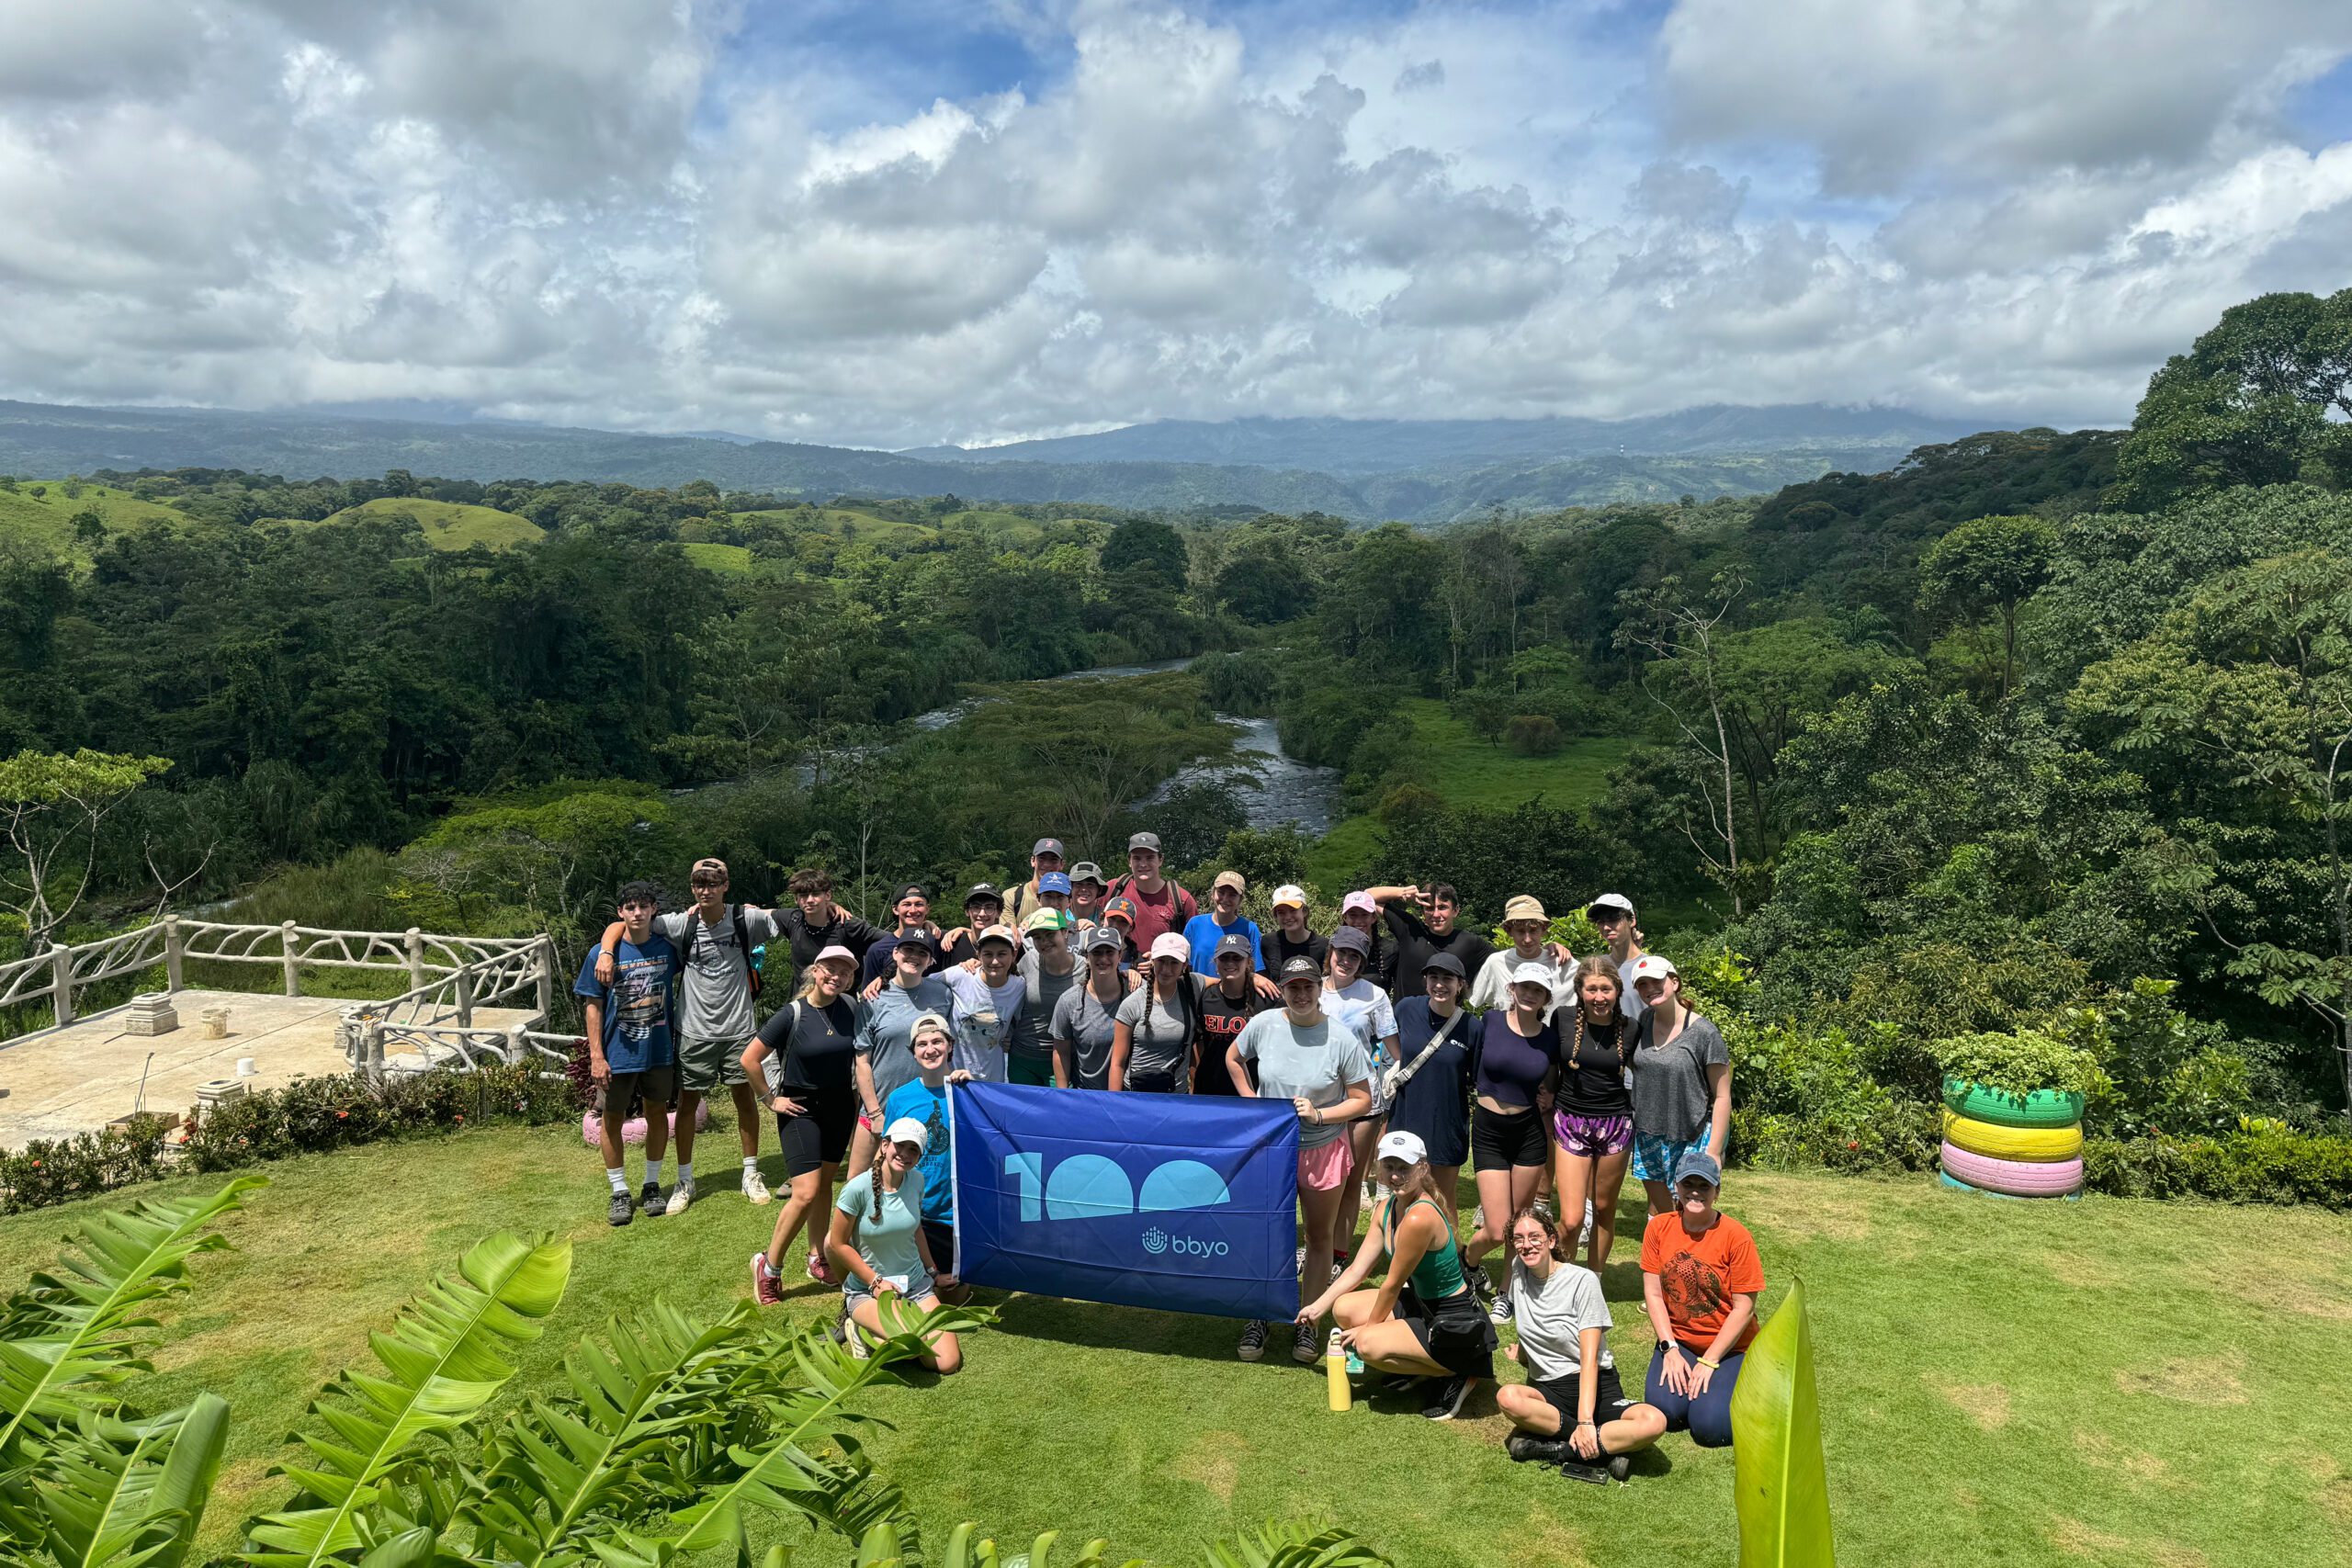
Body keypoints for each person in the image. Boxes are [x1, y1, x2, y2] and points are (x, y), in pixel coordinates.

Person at [594, 858, 776, 1213]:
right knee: (687, 1104)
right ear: (692, 888)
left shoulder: (745, 918)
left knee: (744, 1099)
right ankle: (685, 1179)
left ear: (726, 885)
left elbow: (793, 918)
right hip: (694, 1030)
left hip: (739, 1028)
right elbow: (628, 921)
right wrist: (604, 950)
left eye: (713, 883)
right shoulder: (681, 923)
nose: (706, 890)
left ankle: (751, 1174)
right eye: (699, 884)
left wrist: (831, 906)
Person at [1227, 955, 1373, 1365]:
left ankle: (1308, 1322)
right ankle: (1260, 1314)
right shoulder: (1265, 1024)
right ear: (1284, 989)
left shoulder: (1341, 1038)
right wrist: (1252, 1102)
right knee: (1266, 1235)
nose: (1301, 993)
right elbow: (1233, 1059)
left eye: (1309, 986)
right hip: (1272, 1149)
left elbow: (1363, 1099)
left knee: (1318, 1237)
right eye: (1293, 987)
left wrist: (1321, 1114)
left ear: (1319, 988)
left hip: (1322, 1148)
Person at [1298, 1131, 1495, 1421]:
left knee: (1367, 1345)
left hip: (1454, 1321)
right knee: (1343, 1309)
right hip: (1422, 1303)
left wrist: (1368, 1331)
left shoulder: (1419, 1217)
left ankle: (1459, 1371)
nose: (1395, 1176)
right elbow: (1356, 1270)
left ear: (1422, 1168)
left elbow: (1390, 1284)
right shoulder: (1385, 1208)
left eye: (1404, 1168)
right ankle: (1421, 1365)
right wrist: (1317, 1306)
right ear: (1378, 1167)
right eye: (1389, 1167)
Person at [1498, 1206, 1666, 1482]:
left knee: (1654, 1421)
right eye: (1519, 1238)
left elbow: (1589, 1358)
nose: (1526, 1245)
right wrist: (1524, 1355)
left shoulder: (1583, 1281)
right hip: (1549, 1389)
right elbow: (1534, 1322)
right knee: (1508, 1398)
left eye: (1534, 1237)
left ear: (1551, 1240)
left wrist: (1586, 1420)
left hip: (1596, 1385)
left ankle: (1563, 1448)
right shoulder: (1519, 1270)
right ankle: (1605, 1448)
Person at [745, 944, 861, 1301]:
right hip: (800, 1108)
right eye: (830, 969)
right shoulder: (793, 1013)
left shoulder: (852, 1007)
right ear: (815, 970)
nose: (836, 977)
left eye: (844, 972)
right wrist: (769, 1099)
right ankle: (769, 1265)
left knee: (825, 1185)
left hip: (841, 1105)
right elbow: (749, 1059)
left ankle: (817, 1255)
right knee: (806, 1191)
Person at [575, 881, 681, 1226]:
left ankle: (652, 1184)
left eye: (643, 906)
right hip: (617, 1052)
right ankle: (619, 1190)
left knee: (656, 1113)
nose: (637, 913)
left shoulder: (668, 947)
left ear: (653, 910)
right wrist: (596, 1056)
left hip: (659, 1050)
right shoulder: (601, 953)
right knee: (612, 1118)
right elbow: (593, 1006)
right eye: (630, 907)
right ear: (620, 912)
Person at [1461, 964, 1562, 1323]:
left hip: (1528, 1132)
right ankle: (1468, 1261)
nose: (1530, 994)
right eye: (1525, 987)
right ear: (1513, 989)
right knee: (1495, 1226)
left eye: (1539, 990)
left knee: (1518, 1223)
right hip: (1488, 1129)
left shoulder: (1550, 1038)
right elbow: (1470, 1065)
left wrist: (1550, 1096)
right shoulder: (1489, 1022)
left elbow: (1552, 1078)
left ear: (1546, 998)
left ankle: (1506, 1291)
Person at [1640, 1151, 1761, 1449]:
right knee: (1665, 1412)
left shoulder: (1737, 1237)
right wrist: (1668, 1348)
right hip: (1680, 1341)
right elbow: (1654, 1293)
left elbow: (1744, 1307)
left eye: (1704, 1186)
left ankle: (1755, 1387)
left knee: (1710, 1428)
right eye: (1688, 1183)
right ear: (1676, 1188)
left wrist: (1710, 1360)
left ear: (1717, 1192)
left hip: (1731, 1347)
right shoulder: (1658, 1228)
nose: (1695, 1191)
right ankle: (1699, 1384)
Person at [826, 1116, 963, 1372]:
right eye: (900, 1145)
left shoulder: (917, 1181)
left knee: (948, 1363)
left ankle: (890, 1328)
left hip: (916, 1287)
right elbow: (837, 1243)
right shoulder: (857, 1189)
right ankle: (859, 1327)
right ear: (885, 1145)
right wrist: (875, 1282)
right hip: (868, 1292)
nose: (905, 1154)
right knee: (912, 1343)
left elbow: (916, 1230)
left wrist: (932, 1272)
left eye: (914, 1149)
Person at [1381, 953, 1477, 1241]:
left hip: (1447, 1122)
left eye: (1447, 978)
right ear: (1425, 981)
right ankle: (1402, 1261)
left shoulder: (1472, 1026)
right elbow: (1388, 1042)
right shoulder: (1407, 1008)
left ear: (1460, 985)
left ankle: (1452, 1264)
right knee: (1403, 1194)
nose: (1440, 985)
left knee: (1442, 1198)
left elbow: (1480, 1074)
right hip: (1407, 1116)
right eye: (1434, 977)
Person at [1627, 954, 1732, 1219]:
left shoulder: (1704, 1033)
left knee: (1693, 1211)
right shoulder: (1643, 1022)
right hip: (1648, 1134)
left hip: (1690, 1136)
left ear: (1674, 982)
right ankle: (1668, 1258)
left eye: (1656, 980)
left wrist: (1713, 1151)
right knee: (1667, 1216)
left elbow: (1722, 1095)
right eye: (1642, 984)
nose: (1649, 988)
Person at [880, 1012, 974, 1305]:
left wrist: (972, 1088)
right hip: (918, 1212)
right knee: (906, 1296)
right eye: (922, 1044)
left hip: (957, 1214)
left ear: (950, 1046)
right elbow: (888, 1155)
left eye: (937, 1041)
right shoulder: (900, 1099)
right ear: (913, 1052)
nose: (930, 1049)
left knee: (954, 1294)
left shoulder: (968, 1092)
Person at [1551, 954, 1636, 1271]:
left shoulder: (1631, 1028)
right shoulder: (1561, 1018)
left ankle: (1593, 1279)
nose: (1599, 997)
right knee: (1571, 1219)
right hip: (1571, 1121)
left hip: (1616, 1124)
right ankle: (1560, 1278)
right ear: (1580, 991)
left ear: (1617, 991)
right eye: (1592, 990)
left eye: (1606, 989)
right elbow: (1548, 1066)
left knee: (1603, 1208)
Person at [849, 931, 956, 1178]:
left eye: (923, 953)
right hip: (880, 1108)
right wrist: (875, 1114)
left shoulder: (943, 994)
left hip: (923, 1109)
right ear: (895, 954)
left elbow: (946, 1049)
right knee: (858, 1184)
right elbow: (862, 1062)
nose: (915, 957)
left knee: (913, 1185)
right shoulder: (873, 998)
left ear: (931, 961)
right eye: (908, 950)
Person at [1322, 926, 1400, 1246]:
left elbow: (1393, 1045)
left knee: (1352, 1180)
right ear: (1331, 952)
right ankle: (1317, 1243)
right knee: (1322, 1183)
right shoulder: (1310, 989)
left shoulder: (1374, 995)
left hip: (1362, 1096)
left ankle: (1339, 1252)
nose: (1346, 960)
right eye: (1342, 952)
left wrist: (1401, 1071)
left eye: (1355, 956)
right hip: (1321, 1099)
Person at [1362, 883, 1495, 1002]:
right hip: (1404, 1024)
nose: (1436, 914)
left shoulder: (1469, 943)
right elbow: (1367, 896)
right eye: (1429, 908)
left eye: (1442, 907)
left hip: (1446, 1027)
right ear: (1423, 912)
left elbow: (1501, 963)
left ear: (1455, 911)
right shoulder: (1410, 930)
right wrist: (1402, 892)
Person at [1112, 931, 1202, 1091]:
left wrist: (1253, 977)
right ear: (1152, 961)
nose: (1166, 969)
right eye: (1161, 961)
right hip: (1137, 1096)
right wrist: (1115, 1105)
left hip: (1176, 1098)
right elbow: (1117, 1063)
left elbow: (1224, 981)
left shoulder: (1193, 986)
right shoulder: (1132, 1004)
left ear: (1185, 965)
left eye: (1174, 962)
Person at [941, 921, 1022, 1084]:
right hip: (954, 1075)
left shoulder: (1019, 986)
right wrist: (883, 981)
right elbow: (921, 984)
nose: (994, 961)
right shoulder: (961, 975)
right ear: (978, 954)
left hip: (994, 1077)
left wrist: (1012, 1037)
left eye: (1002, 954)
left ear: (1013, 955)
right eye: (988, 954)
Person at [772, 868, 883, 983]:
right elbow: (758, 914)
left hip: (841, 999)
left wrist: (881, 978)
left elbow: (894, 942)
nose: (809, 900)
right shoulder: (793, 920)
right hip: (801, 999)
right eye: (804, 895)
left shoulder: (848, 926)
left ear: (828, 895)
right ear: (796, 899)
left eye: (816, 894)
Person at [1193, 932, 1272, 1097]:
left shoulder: (1266, 999)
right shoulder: (1204, 997)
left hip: (1251, 1091)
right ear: (1215, 962)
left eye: (1237, 958)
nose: (1230, 963)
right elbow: (1197, 1044)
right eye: (1224, 958)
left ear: (1248, 963)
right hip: (1210, 1090)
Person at [1050, 925, 1126, 1089]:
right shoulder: (1069, 1001)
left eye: (1110, 952)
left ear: (1120, 956)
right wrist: (1063, 1095)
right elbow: (1061, 1052)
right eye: (1097, 952)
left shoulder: (1135, 993)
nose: (1103, 958)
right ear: (1086, 956)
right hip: (1087, 1094)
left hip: (1129, 1096)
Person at [1009, 908, 1078, 1087]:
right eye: (1038, 937)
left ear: (1065, 933)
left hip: (1063, 1061)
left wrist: (1129, 974)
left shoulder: (1085, 970)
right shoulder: (1028, 961)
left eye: (1050, 934)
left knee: (1061, 1112)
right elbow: (1002, 982)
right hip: (1022, 1059)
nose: (1044, 942)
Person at [1470, 896, 1571, 1012]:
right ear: (1509, 931)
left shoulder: (1561, 961)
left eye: (1533, 931)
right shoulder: (1496, 963)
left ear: (1544, 930)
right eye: (1520, 931)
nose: (1527, 939)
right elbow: (1475, 998)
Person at [1106, 831, 1197, 951]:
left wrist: (1157, 961)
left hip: (1162, 969)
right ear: (1129, 861)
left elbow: (1192, 948)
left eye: (1150, 858)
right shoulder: (1113, 889)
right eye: (1137, 858)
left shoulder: (1181, 900)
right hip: (1115, 968)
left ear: (1160, 860)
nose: (1143, 864)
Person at [1182, 870, 1270, 982]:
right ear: (1213, 894)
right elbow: (1184, 967)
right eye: (1221, 892)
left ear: (1240, 900)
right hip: (1199, 996)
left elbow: (1257, 974)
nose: (1225, 899)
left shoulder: (1250, 929)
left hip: (1236, 997)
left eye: (1232, 895)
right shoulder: (1195, 925)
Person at [858, 886, 946, 989]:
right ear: (895, 909)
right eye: (907, 904)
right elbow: (868, 993)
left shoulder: (941, 941)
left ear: (927, 909)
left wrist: (962, 930)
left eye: (919, 904)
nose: (913, 910)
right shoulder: (878, 950)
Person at [1587, 894, 1646, 1022]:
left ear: (1632, 920)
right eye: (1600, 922)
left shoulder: (1650, 967)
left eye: (1613, 919)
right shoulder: (1595, 967)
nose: (1606, 927)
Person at [1263, 885, 1329, 975]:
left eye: (1293, 910)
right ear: (1276, 916)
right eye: (1281, 912)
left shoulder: (1324, 946)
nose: (1288, 917)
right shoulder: (1268, 942)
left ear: (1304, 911)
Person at [934, 883, 1003, 968]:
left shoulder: (1007, 945)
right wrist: (928, 924)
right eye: (976, 907)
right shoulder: (950, 943)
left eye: (989, 907)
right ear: (967, 911)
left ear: (998, 913)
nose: (982, 914)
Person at [1338, 890, 1395, 991]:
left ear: (1373, 917)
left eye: (1364, 915)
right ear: (1345, 917)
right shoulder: (1334, 949)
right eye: (1353, 915)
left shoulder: (1390, 950)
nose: (1359, 921)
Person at [1004, 836, 1067, 926]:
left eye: (1053, 860)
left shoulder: (1068, 897)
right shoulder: (1012, 897)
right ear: (1033, 861)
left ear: (1062, 864)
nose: (1047, 864)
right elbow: (1008, 933)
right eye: (1042, 858)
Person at [1068, 862, 1109, 927]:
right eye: (1078, 884)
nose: (1084, 889)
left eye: (1090, 885)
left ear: (1099, 890)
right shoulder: (1060, 917)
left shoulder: (1107, 920)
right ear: (1070, 888)